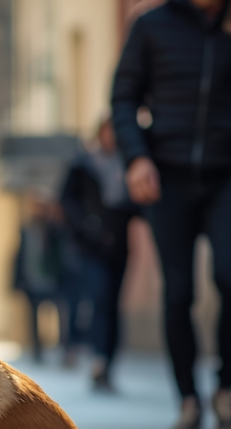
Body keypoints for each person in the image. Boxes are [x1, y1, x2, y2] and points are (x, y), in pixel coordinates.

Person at [112, 0, 231, 429]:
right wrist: (137, 158)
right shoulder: (151, 25)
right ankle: (189, 401)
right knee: (179, 293)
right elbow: (124, 97)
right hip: (168, 178)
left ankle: (227, 389)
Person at [61, 118, 142, 393]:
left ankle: (108, 362)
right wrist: (85, 226)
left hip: (118, 246)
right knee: (100, 298)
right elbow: (67, 201)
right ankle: (98, 359)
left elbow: (138, 204)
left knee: (113, 304)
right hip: (90, 247)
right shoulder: (83, 165)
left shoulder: (129, 165)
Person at [13, 194, 70, 364]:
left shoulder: (54, 229)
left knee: (60, 315)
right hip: (31, 281)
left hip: (53, 280)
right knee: (33, 318)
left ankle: (64, 348)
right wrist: (17, 280)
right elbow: (19, 256)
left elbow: (62, 253)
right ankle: (38, 350)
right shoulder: (26, 229)